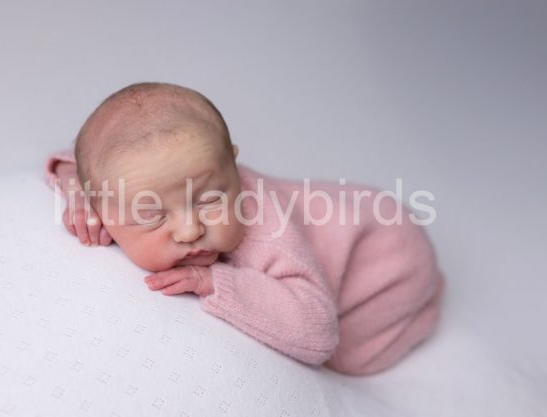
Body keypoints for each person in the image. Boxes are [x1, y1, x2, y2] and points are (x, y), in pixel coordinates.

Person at [45, 82, 445, 375]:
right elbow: (74, 162)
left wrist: (215, 283)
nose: (190, 229)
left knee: (348, 358)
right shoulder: (129, 184)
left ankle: (421, 311)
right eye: (152, 215)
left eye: (209, 199)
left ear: (231, 165)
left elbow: (317, 330)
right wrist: (77, 195)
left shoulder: (267, 233)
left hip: (386, 255)